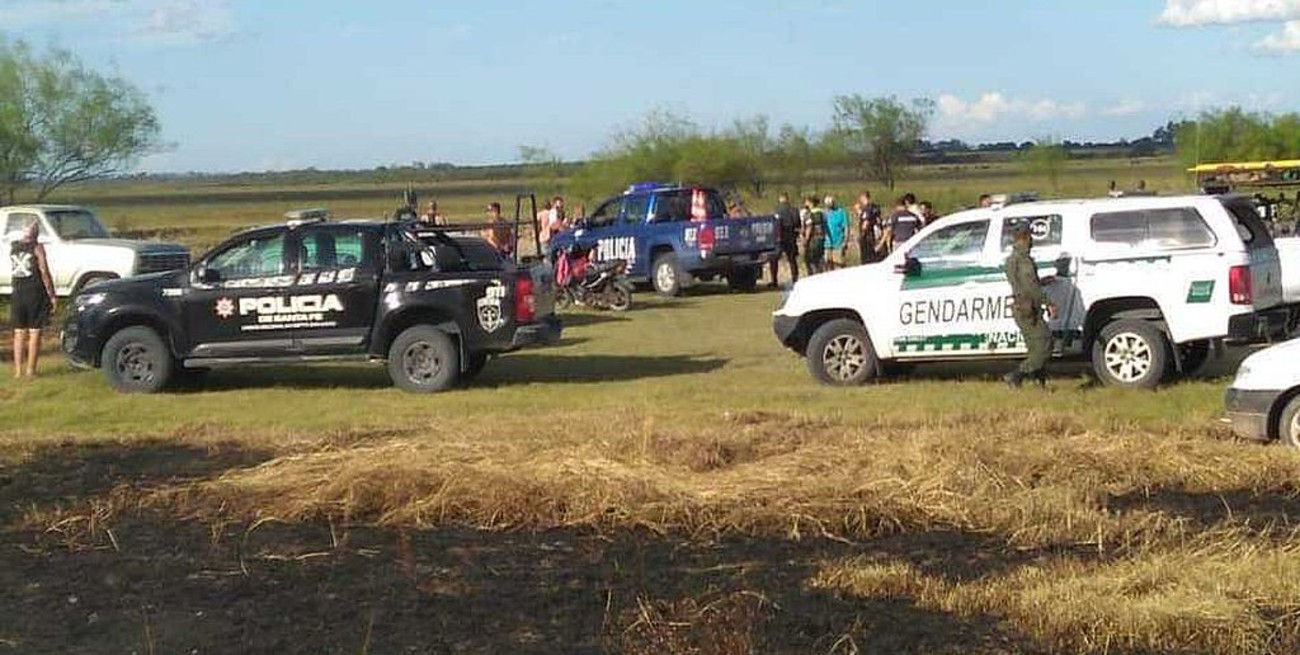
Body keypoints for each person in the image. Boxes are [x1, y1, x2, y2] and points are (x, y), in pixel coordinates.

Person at [1003, 223, 1057, 388]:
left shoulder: (1013, 259)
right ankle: (1016, 375)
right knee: (1045, 344)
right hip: (1028, 308)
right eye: (1030, 237)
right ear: (1025, 238)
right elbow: (1030, 286)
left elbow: (1025, 283)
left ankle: (1038, 384)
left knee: (1035, 347)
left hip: (1022, 306)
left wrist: (1042, 282)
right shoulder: (1022, 260)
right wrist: (1049, 303)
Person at [9, 218, 57, 379]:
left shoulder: (14, 247)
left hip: (17, 293)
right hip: (34, 293)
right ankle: (30, 370)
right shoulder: (37, 248)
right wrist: (51, 295)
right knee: (35, 331)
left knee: (19, 332)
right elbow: (44, 271)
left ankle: (17, 371)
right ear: (36, 232)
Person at [769, 192, 801, 288]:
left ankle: (774, 280)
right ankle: (795, 279)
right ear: (787, 199)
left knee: (774, 259)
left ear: (780, 199)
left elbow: (774, 225)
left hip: (779, 237)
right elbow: (798, 224)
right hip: (791, 236)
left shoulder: (777, 210)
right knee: (792, 259)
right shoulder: (794, 210)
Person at [800, 195, 826, 276]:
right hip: (821, 239)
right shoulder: (822, 212)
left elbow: (809, 227)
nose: (805, 203)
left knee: (810, 261)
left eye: (806, 202)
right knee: (820, 260)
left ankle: (812, 277)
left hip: (812, 240)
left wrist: (805, 240)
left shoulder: (808, 214)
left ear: (810, 203)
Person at [854, 191, 882, 264]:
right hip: (876, 235)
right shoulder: (875, 207)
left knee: (867, 259)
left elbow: (866, 222)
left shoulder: (867, 209)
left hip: (868, 237)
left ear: (863, 197)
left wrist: (861, 236)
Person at [823, 194, 849, 270]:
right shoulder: (824, 213)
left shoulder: (841, 212)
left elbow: (846, 228)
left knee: (839, 266)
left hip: (838, 244)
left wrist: (845, 241)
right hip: (827, 245)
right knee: (828, 267)